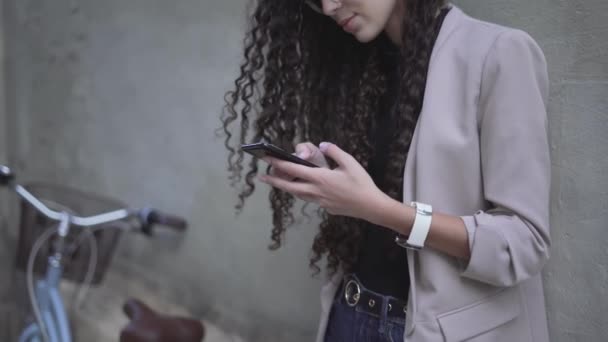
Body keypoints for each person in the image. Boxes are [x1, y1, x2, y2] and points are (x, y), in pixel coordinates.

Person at [221, 0, 551, 341]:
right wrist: (329, 177)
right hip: (347, 314)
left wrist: (379, 209)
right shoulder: (357, 63)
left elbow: (524, 242)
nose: (330, 6)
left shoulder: (498, 53)